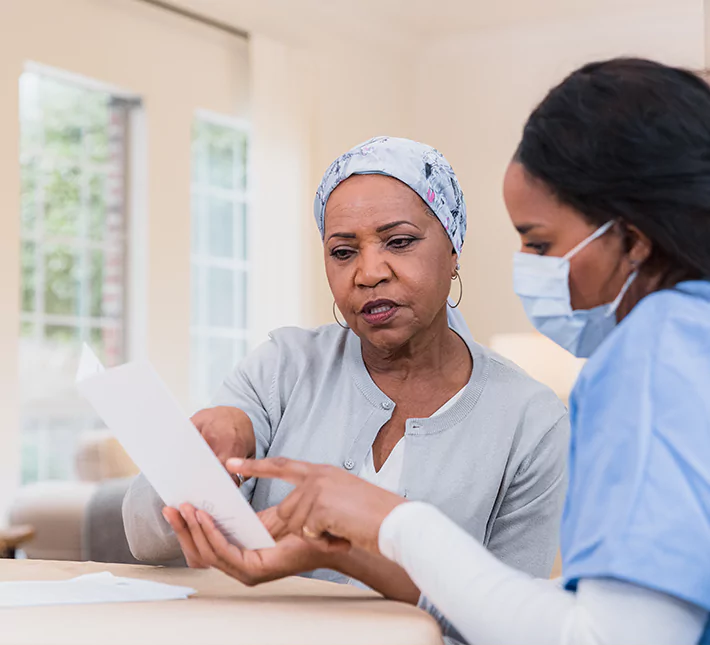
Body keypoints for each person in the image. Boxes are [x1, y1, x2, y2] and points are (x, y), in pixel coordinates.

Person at [175, 59, 710, 645]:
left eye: (541, 242)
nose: (370, 273)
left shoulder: (650, 359)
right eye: (342, 251)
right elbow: (563, 611)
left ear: (631, 239)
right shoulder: (688, 339)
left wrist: (389, 520)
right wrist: (348, 553)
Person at [123, 137, 569, 604]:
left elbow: (517, 617)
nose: (368, 272)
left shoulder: (530, 422)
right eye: (342, 252)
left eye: (399, 242)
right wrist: (199, 460)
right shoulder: (284, 367)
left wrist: (348, 556)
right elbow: (143, 535)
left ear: (453, 249)